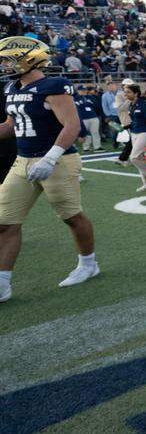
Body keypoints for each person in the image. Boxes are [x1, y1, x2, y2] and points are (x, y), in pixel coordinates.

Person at [0, 37, 98, 302]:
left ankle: (88, 264)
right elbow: (11, 126)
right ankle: (2, 283)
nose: (4, 64)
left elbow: (71, 125)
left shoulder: (53, 85)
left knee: (71, 217)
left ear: (28, 58)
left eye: (9, 58)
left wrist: (51, 158)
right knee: (5, 222)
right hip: (22, 161)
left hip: (57, 161)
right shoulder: (11, 86)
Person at [75, 85, 102, 151]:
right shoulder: (76, 98)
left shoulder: (90, 97)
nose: (84, 91)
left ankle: (97, 147)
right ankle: (86, 148)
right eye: (82, 90)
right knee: (85, 134)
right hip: (83, 118)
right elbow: (78, 107)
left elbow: (96, 105)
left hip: (93, 116)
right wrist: (87, 104)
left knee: (95, 133)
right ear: (78, 91)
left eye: (84, 90)